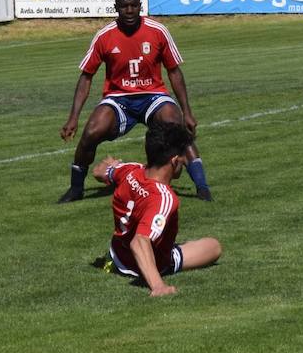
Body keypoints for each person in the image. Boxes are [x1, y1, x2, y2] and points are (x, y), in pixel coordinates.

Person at [58, 0, 213, 203]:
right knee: (92, 131)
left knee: (175, 125)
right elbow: (86, 77)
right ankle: (75, 188)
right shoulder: (104, 36)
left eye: (133, 6)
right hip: (119, 99)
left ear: (140, 5)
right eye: (124, 6)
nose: (129, 11)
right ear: (116, 7)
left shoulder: (158, 31)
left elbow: (174, 72)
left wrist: (187, 111)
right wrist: (73, 118)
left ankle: (202, 187)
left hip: (153, 96)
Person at [92, 122, 222, 297]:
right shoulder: (163, 198)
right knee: (214, 246)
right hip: (143, 264)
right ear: (174, 161)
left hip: (117, 256)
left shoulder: (131, 170)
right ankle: (165, 264)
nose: (184, 163)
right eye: (183, 160)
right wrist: (158, 286)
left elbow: (99, 171)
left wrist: (110, 167)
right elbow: (139, 242)